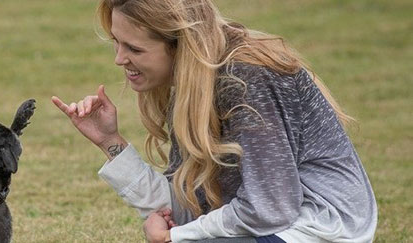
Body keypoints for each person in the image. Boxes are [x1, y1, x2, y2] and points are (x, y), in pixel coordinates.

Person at [51, 0, 377, 242]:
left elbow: (269, 211)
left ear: (181, 45)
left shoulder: (249, 77)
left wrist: (175, 237)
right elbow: (187, 210)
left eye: (134, 48)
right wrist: (111, 143)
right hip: (268, 227)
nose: (120, 59)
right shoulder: (192, 85)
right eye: (117, 43)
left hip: (318, 229)